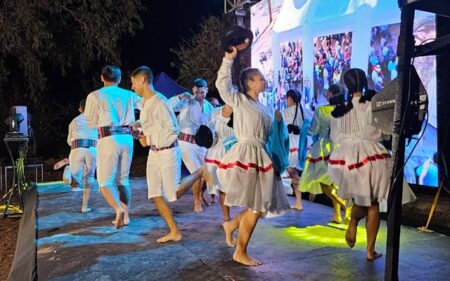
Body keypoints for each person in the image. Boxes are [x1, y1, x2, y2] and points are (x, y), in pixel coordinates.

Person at [216, 47, 290, 266]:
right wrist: (228, 59)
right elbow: (222, 85)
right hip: (246, 156)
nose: (264, 81)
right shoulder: (239, 100)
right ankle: (240, 251)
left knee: (258, 206)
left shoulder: (265, 108)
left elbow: (271, 137)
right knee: (257, 207)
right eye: (260, 78)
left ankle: (231, 226)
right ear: (249, 82)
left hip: (261, 156)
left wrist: (278, 123)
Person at [130, 66, 212, 243]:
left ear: (143, 80)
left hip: (168, 151)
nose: (132, 87)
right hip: (154, 154)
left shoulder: (160, 102)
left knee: (173, 193)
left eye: (134, 82)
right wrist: (139, 130)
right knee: (154, 194)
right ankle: (174, 231)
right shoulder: (145, 103)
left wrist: (148, 138)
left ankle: (201, 171)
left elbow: (172, 131)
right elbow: (151, 125)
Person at [328, 68, 391, 261]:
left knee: (362, 201)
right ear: (364, 82)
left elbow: (335, 137)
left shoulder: (339, 110)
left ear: (346, 85)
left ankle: (353, 220)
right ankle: (370, 250)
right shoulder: (373, 105)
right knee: (372, 204)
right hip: (374, 157)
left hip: (349, 159)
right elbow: (384, 132)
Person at [85, 65, 142, 229]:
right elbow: (146, 105)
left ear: (102, 78)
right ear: (119, 79)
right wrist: (139, 124)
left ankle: (118, 209)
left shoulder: (95, 96)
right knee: (123, 179)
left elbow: (90, 122)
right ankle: (126, 216)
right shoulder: (129, 95)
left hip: (108, 137)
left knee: (104, 182)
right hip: (127, 138)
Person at [299, 84, 350, 224]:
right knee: (336, 182)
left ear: (331, 94)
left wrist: (306, 129)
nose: (325, 94)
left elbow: (314, 130)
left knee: (323, 181)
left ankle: (346, 207)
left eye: (327, 93)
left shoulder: (322, 110)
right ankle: (337, 215)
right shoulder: (347, 110)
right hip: (344, 148)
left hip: (325, 148)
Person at [168, 78, 214, 212]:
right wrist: (180, 96)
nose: (199, 95)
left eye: (202, 92)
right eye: (196, 92)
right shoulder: (187, 101)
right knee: (197, 172)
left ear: (206, 90)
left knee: (207, 171)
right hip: (185, 144)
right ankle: (197, 201)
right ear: (193, 91)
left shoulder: (209, 107)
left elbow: (212, 126)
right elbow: (168, 105)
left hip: (202, 145)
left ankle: (201, 193)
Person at [204, 104, 235, 221]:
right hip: (218, 151)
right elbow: (209, 130)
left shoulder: (242, 111)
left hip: (236, 151)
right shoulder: (216, 111)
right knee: (222, 186)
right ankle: (226, 218)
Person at [67, 99, 98, 212]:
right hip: (93, 149)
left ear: (80, 109)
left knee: (76, 174)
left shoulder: (74, 121)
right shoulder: (97, 120)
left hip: (77, 148)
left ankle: (70, 171)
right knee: (89, 179)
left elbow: (69, 141)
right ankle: (84, 206)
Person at [281, 89, 304, 210]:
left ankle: (298, 202)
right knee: (293, 173)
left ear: (290, 99)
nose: (286, 101)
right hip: (301, 145)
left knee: (292, 174)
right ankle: (298, 202)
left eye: (287, 98)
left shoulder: (285, 112)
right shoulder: (303, 111)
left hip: (290, 146)